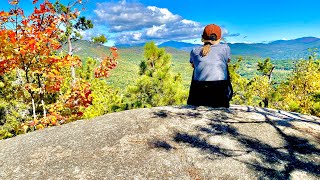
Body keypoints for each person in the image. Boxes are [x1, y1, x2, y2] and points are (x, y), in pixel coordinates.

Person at [187, 24, 233, 108]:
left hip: (199, 93)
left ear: (202, 37)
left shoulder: (194, 51)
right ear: (219, 37)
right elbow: (228, 61)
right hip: (219, 92)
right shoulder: (225, 48)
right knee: (224, 67)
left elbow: (193, 66)